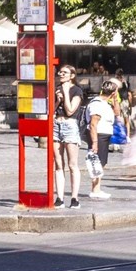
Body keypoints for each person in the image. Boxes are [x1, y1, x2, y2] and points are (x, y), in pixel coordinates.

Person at [54, 65, 83, 208]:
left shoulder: (77, 91)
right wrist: (57, 100)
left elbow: (70, 110)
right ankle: (59, 198)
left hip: (70, 125)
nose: (61, 74)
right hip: (56, 125)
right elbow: (51, 110)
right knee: (58, 164)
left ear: (72, 75)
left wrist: (65, 93)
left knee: (72, 164)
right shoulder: (57, 88)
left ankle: (74, 198)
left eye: (64, 72)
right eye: (60, 72)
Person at [83, 79, 116, 200]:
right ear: (113, 92)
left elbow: (117, 113)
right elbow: (93, 124)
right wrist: (95, 142)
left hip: (104, 134)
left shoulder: (105, 103)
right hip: (98, 135)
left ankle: (97, 188)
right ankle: (95, 189)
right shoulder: (97, 104)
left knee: (102, 162)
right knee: (98, 163)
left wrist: (115, 100)